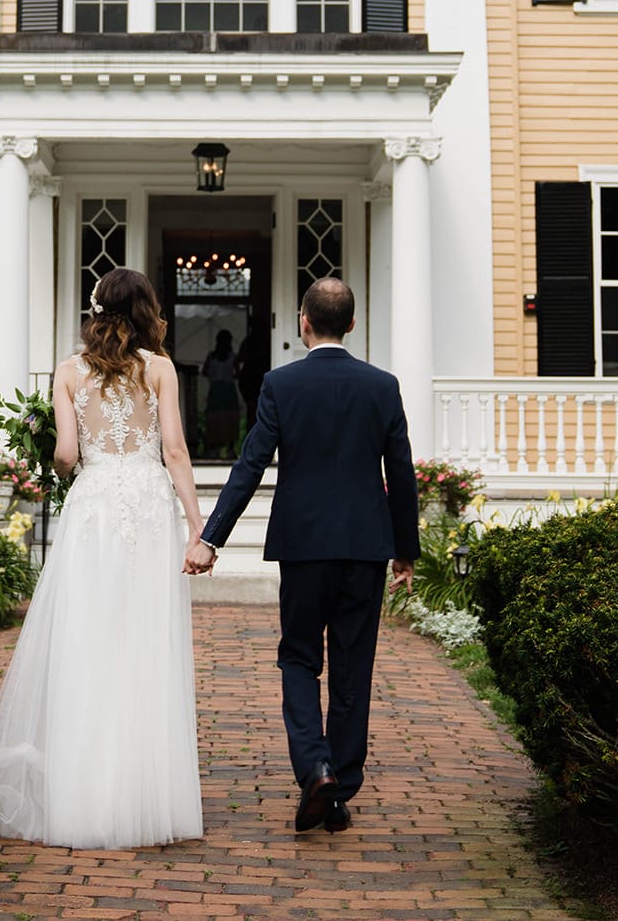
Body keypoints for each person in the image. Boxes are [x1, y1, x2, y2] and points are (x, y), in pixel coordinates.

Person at [0, 268, 205, 848]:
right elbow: (174, 450)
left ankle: (82, 795)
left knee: (87, 639)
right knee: (144, 641)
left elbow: (67, 455)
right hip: (148, 507)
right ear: (146, 309)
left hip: (95, 507)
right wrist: (199, 526)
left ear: (97, 309)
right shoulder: (159, 368)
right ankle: (144, 795)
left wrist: (60, 459)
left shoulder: (70, 372)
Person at [186, 277, 418, 834]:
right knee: (352, 666)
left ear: (303, 322)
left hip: (304, 545)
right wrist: (405, 549)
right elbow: (401, 473)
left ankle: (315, 768)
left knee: (298, 658)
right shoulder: (382, 385)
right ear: (353, 326)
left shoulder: (280, 384)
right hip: (365, 545)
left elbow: (250, 465)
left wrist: (210, 536)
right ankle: (338, 786)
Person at [201, 330, 241, 455]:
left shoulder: (213, 356)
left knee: (218, 418)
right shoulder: (232, 357)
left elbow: (204, 371)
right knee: (226, 417)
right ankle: (228, 447)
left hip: (218, 389)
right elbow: (238, 373)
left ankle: (217, 447)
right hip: (226, 389)